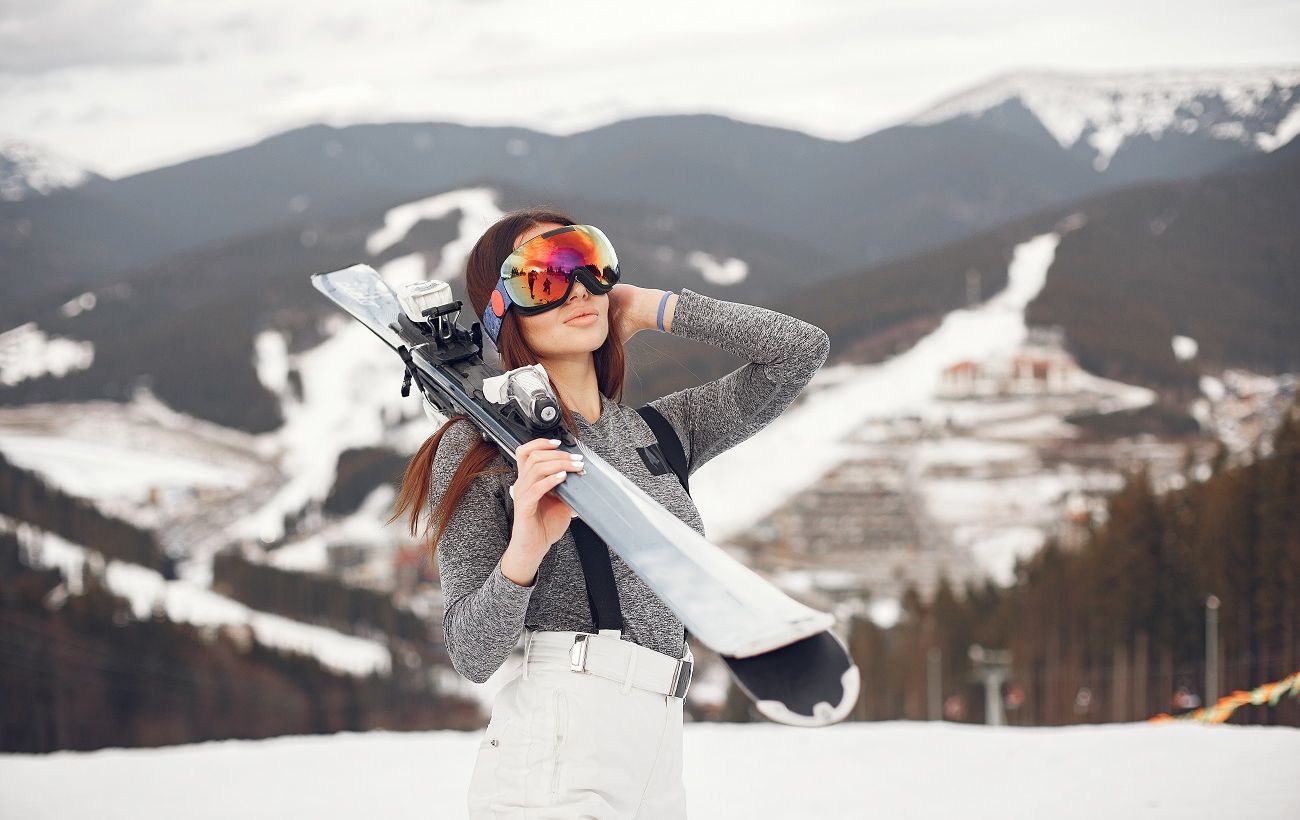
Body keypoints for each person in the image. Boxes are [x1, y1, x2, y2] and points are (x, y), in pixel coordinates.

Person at [391, 207, 831, 818]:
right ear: (501, 310)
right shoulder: (481, 449)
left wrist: (649, 305)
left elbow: (800, 352)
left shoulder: (663, 432)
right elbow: (471, 652)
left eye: (588, 262)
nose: (576, 289)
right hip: (559, 740)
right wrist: (525, 550)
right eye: (544, 276)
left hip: (659, 743)